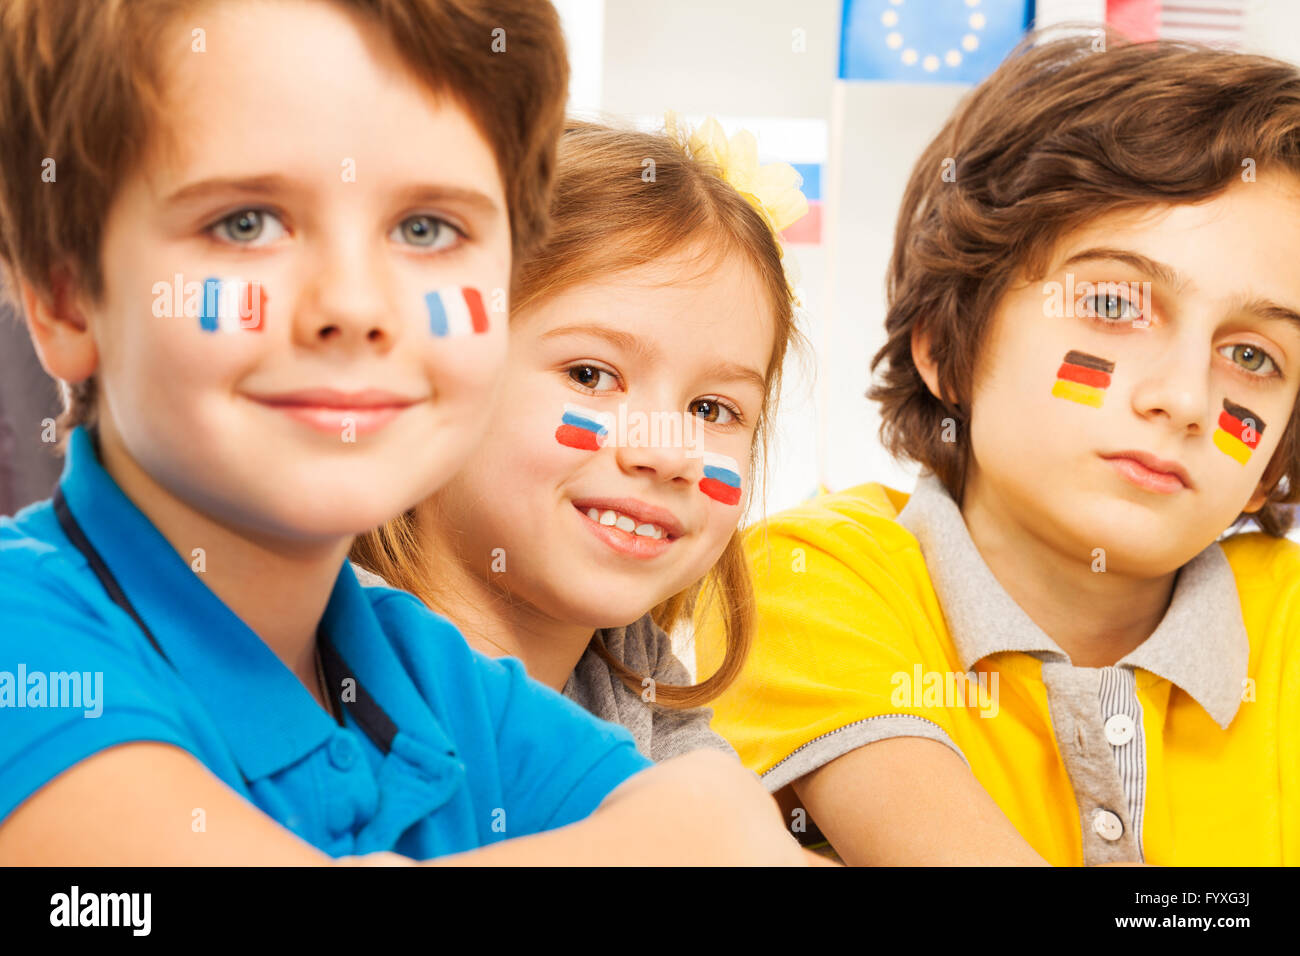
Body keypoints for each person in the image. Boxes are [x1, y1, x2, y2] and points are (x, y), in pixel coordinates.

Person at [0, 0, 807, 866]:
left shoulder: (426, 678)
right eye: (246, 222)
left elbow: (735, 829)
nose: (355, 304)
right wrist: (700, 832)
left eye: (428, 230)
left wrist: (714, 823)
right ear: (64, 299)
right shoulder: (26, 645)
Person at [697, 32, 1300, 866]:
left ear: (1274, 450)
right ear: (946, 344)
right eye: (1116, 305)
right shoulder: (801, 581)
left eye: (1252, 356)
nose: (1187, 399)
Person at [352, 118, 807, 762]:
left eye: (712, 408)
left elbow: (731, 833)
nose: (668, 450)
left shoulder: (633, 672)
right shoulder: (333, 650)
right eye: (591, 375)